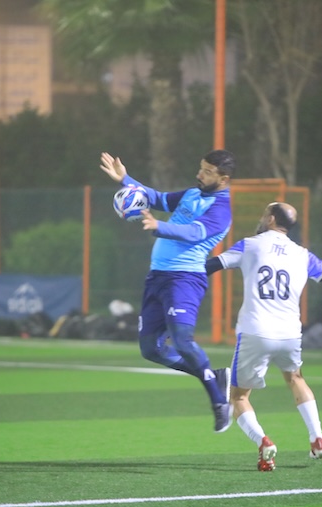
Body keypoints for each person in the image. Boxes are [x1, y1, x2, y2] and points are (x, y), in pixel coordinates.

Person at [205, 202, 322, 471]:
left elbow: (212, 265)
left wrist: (178, 279)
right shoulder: (303, 255)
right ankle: (318, 439)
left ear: (271, 218)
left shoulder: (250, 245)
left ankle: (263, 442)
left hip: (256, 331)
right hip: (290, 333)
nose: (262, 216)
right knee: (296, 379)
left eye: (265, 212)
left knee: (238, 397)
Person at [100, 150, 237, 432]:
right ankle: (213, 376)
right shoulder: (192, 193)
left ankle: (219, 402)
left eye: (207, 172)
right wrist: (125, 179)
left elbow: (194, 233)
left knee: (183, 341)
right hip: (157, 277)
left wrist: (159, 226)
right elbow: (158, 199)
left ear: (224, 179)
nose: (199, 175)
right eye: (201, 168)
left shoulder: (221, 210)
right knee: (150, 349)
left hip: (184, 280)